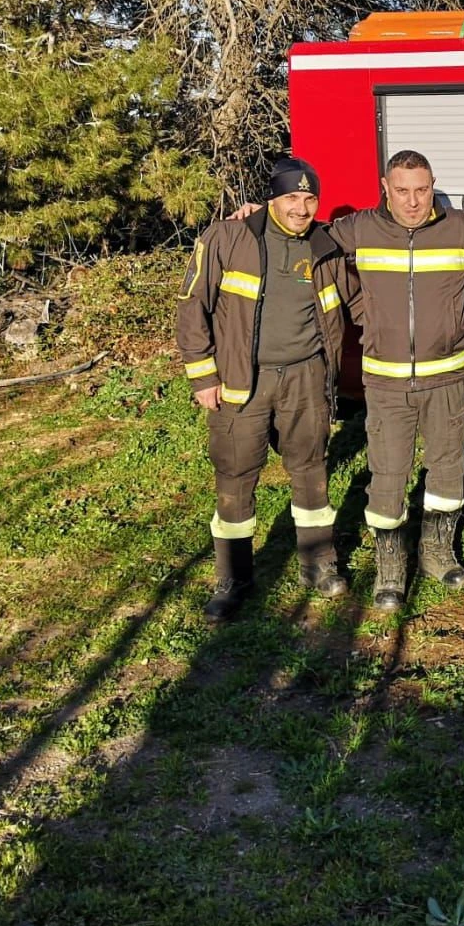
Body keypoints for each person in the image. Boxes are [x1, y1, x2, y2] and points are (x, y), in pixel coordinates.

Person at [176, 155, 356, 621]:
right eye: (292, 197)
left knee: (311, 470)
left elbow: (359, 297)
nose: (302, 207)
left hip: (306, 378)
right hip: (241, 381)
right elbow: (192, 305)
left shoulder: (325, 246)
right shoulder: (227, 238)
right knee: (235, 478)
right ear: (272, 199)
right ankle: (233, 579)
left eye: (310, 197)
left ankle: (318, 565)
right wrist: (203, 374)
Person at [326, 149, 464, 611]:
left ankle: (438, 553)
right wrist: (364, 312)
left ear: (434, 184)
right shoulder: (359, 228)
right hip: (387, 380)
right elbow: (310, 247)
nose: (414, 202)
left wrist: (455, 305)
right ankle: (390, 567)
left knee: (447, 467)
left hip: (447, 376)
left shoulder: (462, 228)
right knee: (388, 475)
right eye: (402, 191)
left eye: (422, 190)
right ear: (384, 187)